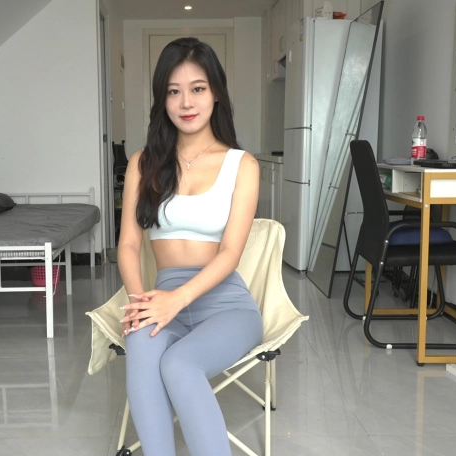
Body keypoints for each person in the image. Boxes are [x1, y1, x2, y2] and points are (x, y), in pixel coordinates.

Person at [117, 37, 262, 456]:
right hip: (162, 299)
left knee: (179, 364)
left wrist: (175, 301)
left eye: (197, 88)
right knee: (141, 343)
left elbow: (230, 253)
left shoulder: (242, 165)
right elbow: (128, 245)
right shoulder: (143, 163)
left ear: (215, 92)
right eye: (173, 91)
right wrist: (140, 304)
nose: (186, 102)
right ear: (162, 99)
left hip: (226, 305)